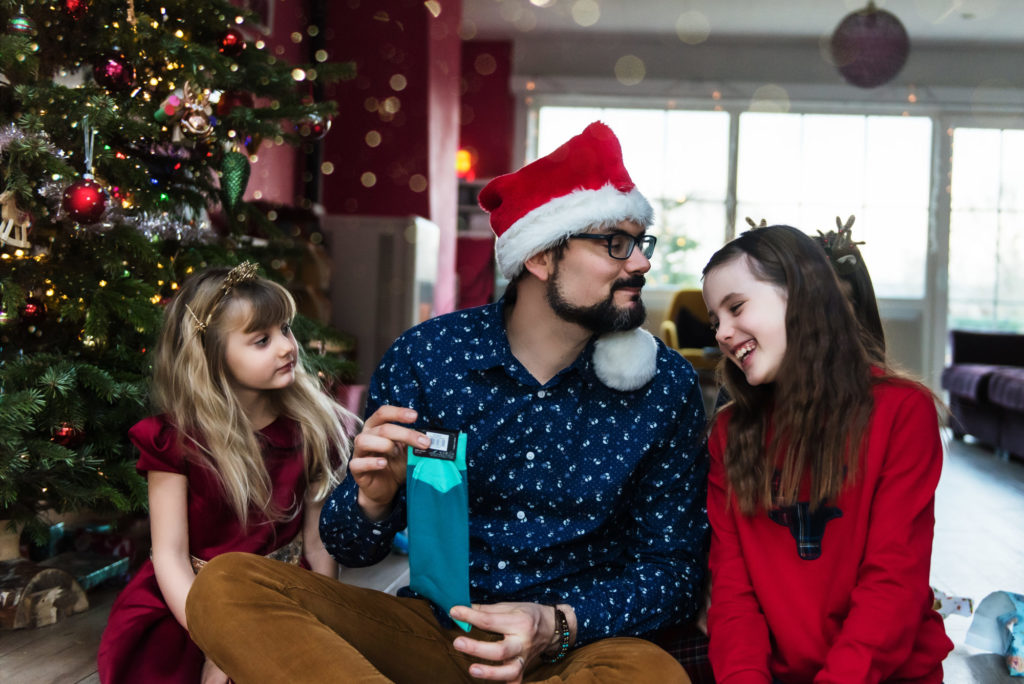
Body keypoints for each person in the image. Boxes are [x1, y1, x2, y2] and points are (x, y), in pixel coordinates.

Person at [185, 121, 709, 683]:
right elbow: (348, 546)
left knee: (650, 674)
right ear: (540, 258)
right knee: (227, 586)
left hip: (573, 649)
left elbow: (674, 573)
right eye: (616, 244)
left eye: (641, 243)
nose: (641, 263)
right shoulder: (429, 358)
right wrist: (374, 501)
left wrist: (556, 624)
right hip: (433, 637)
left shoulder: (663, 386)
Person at [701, 225, 953, 683]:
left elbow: (892, 583)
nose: (722, 332)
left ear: (802, 295)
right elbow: (734, 594)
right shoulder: (727, 432)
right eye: (715, 320)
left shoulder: (902, 412)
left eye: (736, 307)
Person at [97, 262, 353, 684]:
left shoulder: (311, 427)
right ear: (212, 356)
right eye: (262, 340)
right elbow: (170, 556)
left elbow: (317, 545)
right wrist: (219, 639)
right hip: (191, 600)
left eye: (286, 330)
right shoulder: (173, 441)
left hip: (279, 590)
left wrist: (331, 619)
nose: (288, 347)